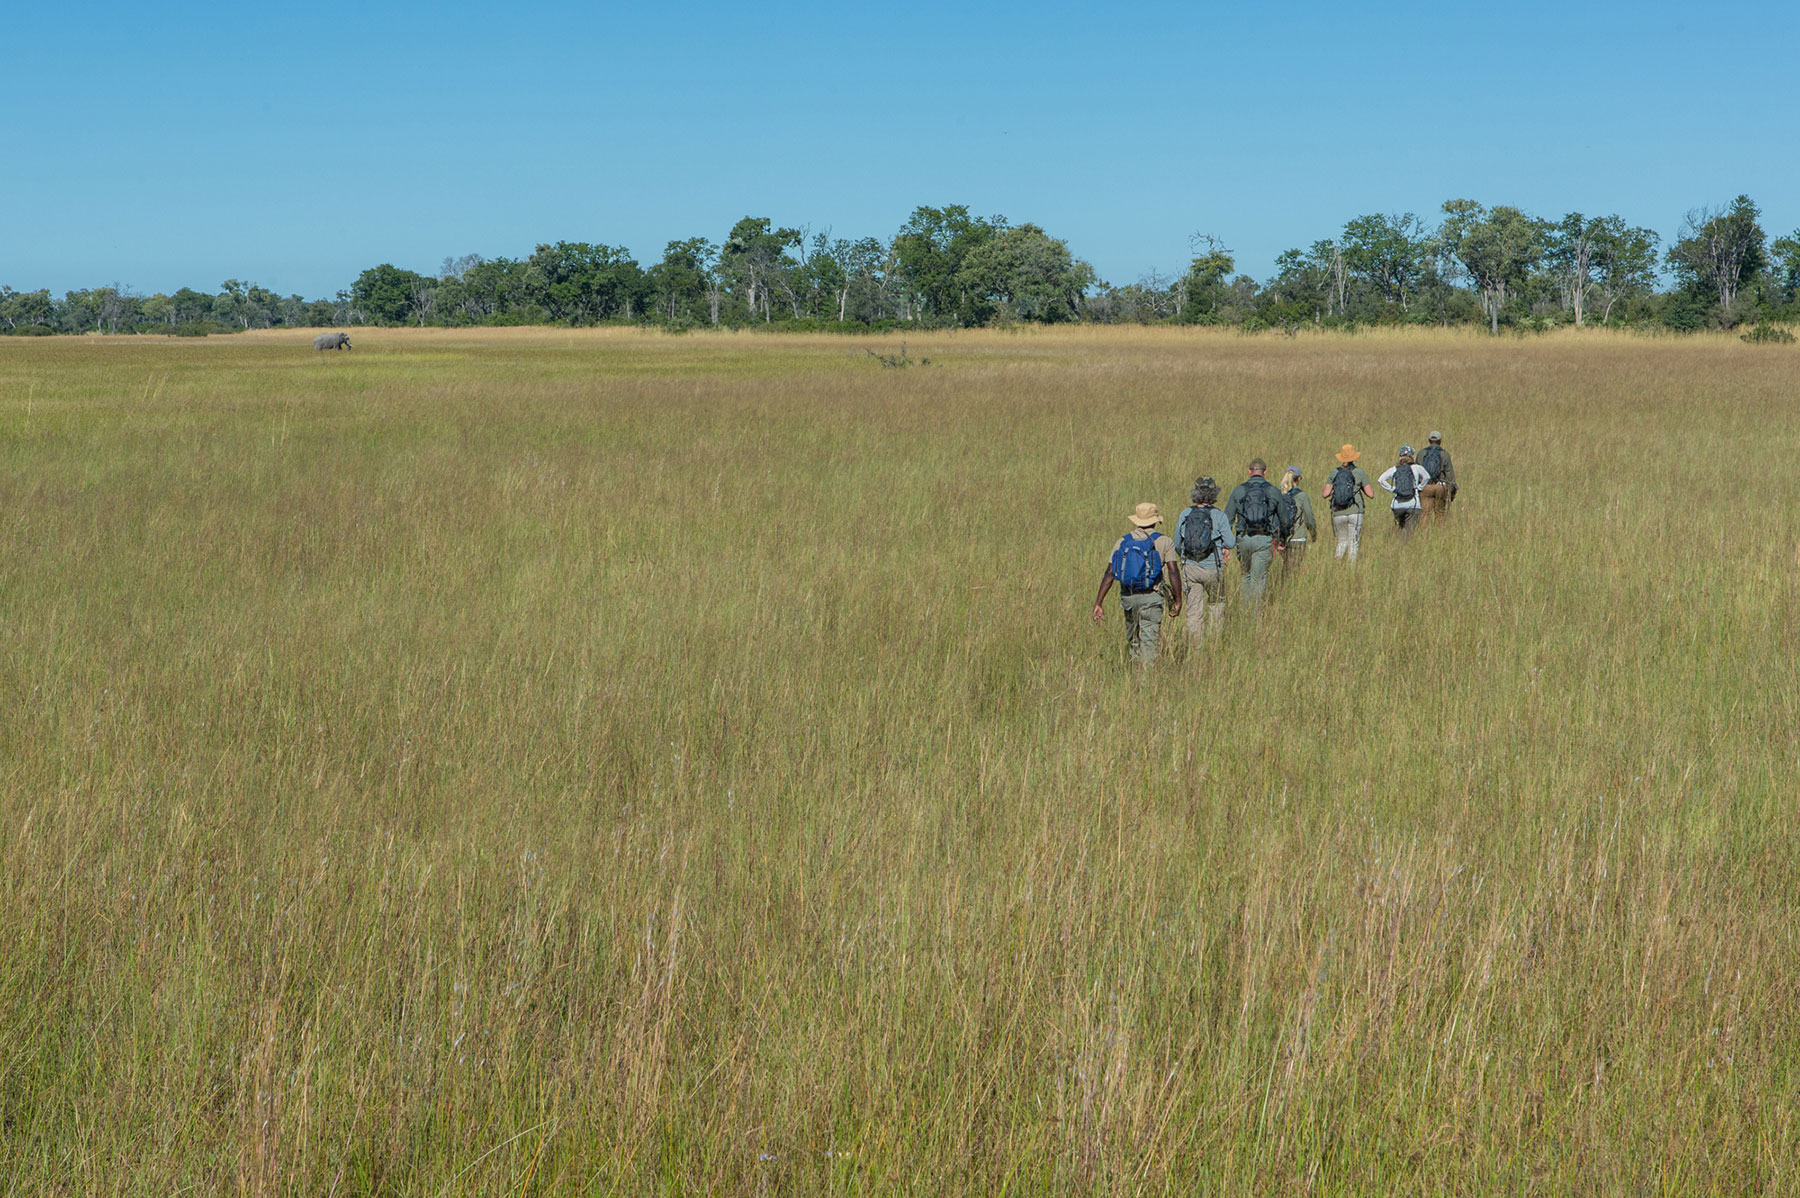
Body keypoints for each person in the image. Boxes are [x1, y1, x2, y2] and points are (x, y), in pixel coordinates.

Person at [1091, 502, 1183, 663]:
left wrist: (1099, 602)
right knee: (1149, 643)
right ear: (1155, 520)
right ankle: (1146, 682)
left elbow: (1109, 573)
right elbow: (1173, 571)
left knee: (1134, 641)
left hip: (1128, 597)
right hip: (1152, 598)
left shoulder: (1122, 541)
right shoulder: (1164, 542)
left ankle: (1134, 676)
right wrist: (1178, 600)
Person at [1222, 459, 1293, 602]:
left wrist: (1225, 545)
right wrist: (1283, 539)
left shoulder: (1238, 490)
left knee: (1245, 576)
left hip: (1243, 539)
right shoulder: (1273, 491)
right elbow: (1285, 520)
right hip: (1264, 539)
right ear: (1265, 472)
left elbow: (1227, 519)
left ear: (1249, 471)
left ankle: (1244, 613)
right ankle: (1254, 617)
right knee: (1258, 579)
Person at [1174, 477, 1234, 641]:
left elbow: (1177, 544)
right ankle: (1214, 644)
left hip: (1190, 568)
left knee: (1194, 612)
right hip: (1213, 568)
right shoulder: (1219, 515)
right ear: (1213, 494)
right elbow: (1231, 542)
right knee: (1216, 605)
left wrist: (1186, 558)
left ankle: (1195, 650)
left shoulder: (1185, 514)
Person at [1320, 444, 1375, 563]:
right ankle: (1351, 570)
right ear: (1353, 457)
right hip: (1355, 511)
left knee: (1341, 541)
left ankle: (1337, 564)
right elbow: (1371, 494)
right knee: (1353, 543)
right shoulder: (1359, 472)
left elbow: (1325, 493)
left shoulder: (1334, 472)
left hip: (1338, 512)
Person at [1378, 446, 1431, 541]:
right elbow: (1427, 477)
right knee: (1409, 533)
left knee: (1400, 529)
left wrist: (1393, 489)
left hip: (1397, 505)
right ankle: (1405, 548)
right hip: (1413, 504)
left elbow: (1381, 480)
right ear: (1411, 456)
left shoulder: (1395, 469)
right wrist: (1419, 487)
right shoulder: (1416, 468)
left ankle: (1398, 546)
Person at [1277, 466, 1316, 577]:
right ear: (1298, 478)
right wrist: (1313, 534)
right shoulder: (1302, 496)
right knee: (1294, 570)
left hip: (1282, 538)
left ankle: (1282, 588)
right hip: (1298, 537)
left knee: (1286, 567)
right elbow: (1309, 518)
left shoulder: (1280, 495)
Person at [1418, 430, 1458, 522]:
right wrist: (1452, 492)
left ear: (1429, 440)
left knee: (1424, 514)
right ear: (1440, 441)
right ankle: (1438, 534)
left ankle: (1423, 535)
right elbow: (1450, 475)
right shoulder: (1445, 454)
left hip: (1425, 487)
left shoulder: (1421, 453)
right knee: (1440, 513)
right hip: (1441, 487)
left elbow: (1417, 472)